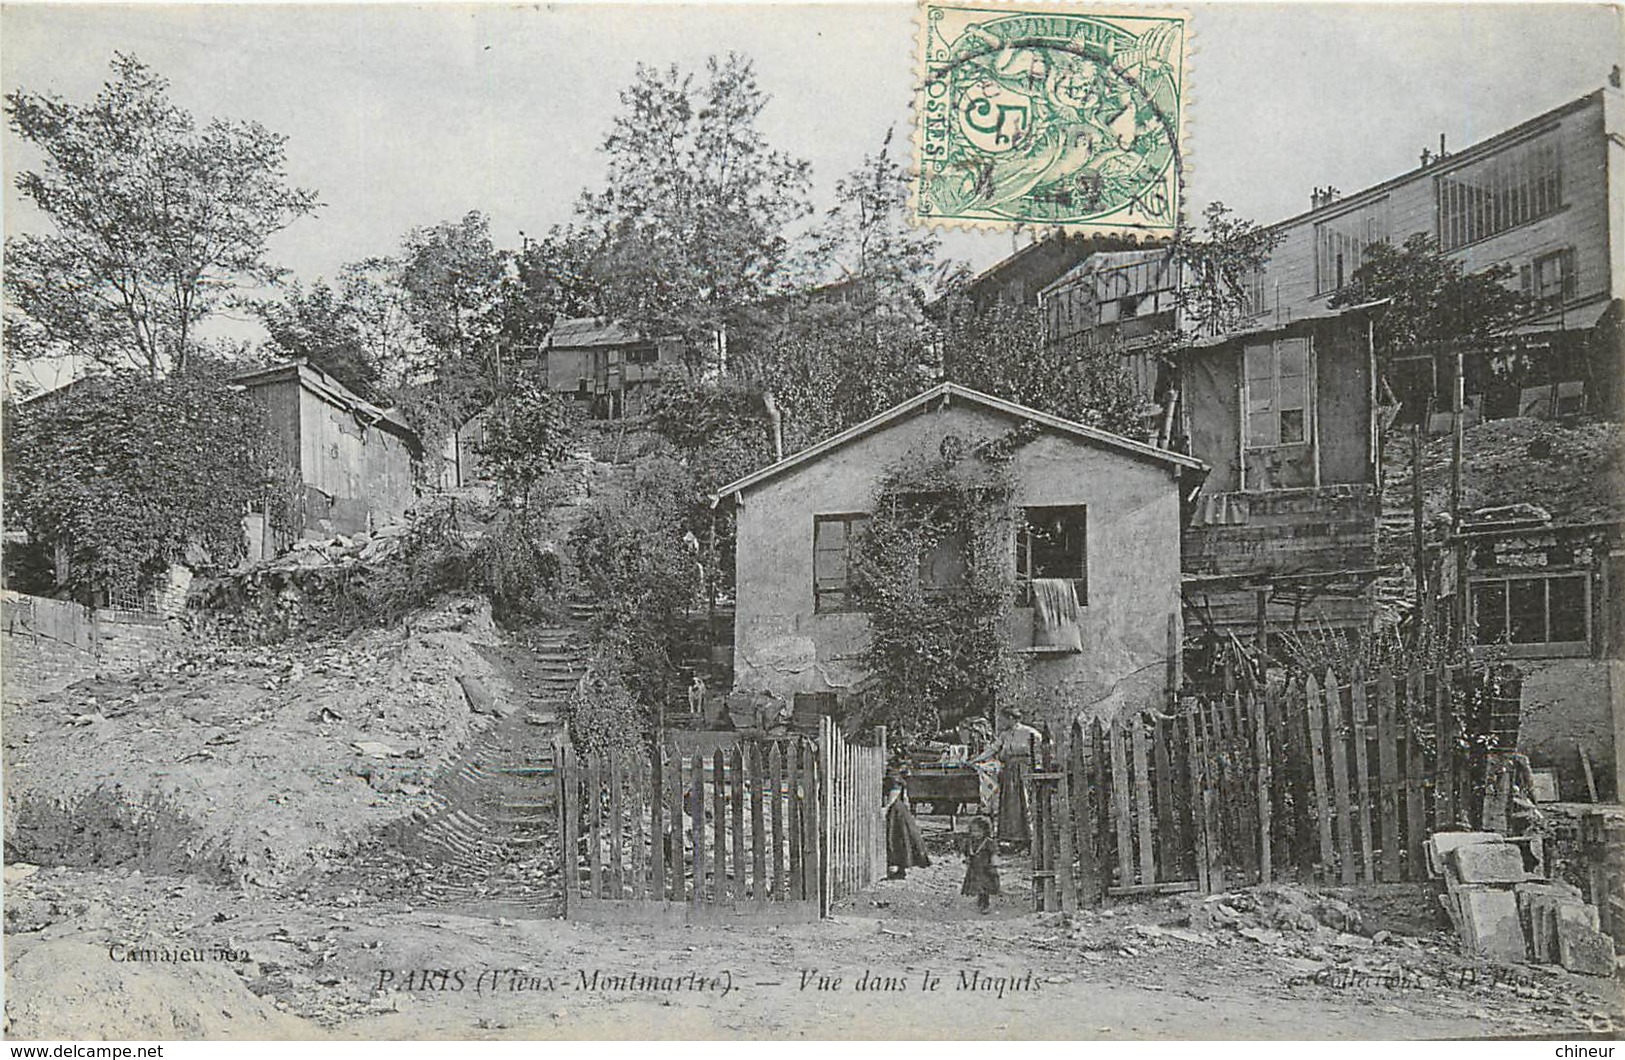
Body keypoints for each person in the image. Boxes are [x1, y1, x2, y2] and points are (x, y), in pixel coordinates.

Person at [974, 707, 1042, 850]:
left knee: (1024, 802)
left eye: (1004, 718)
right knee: (1009, 805)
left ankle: (1029, 839)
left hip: (1024, 770)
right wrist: (977, 760)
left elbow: (1041, 749)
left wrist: (1036, 765)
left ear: (1011, 718)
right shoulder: (1004, 735)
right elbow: (993, 749)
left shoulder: (1029, 732)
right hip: (1008, 771)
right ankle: (1013, 839)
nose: (1002, 721)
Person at [883, 757, 931, 880]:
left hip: (895, 809)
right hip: (901, 809)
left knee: (896, 837)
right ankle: (900, 869)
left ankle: (897, 868)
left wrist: (886, 807)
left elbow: (895, 792)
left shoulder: (893, 776)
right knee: (902, 838)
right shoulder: (897, 775)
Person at [961, 815, 1000, 913]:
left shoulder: (988, 842)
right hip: (974, 868)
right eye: (974, 831)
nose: (976, 834)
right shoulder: (970, 842)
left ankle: (985, 905)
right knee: (977, 885)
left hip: (985, 868)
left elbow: (994, 853)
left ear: (985, 831)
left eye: (979, 831)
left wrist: (994, 864)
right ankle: (980, 899)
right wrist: (966, 858)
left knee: (985, 886)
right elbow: (966, 852)